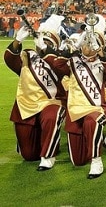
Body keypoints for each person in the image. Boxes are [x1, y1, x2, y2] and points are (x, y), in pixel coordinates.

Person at [3, 16, 69, 171]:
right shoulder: (28, 55)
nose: (42, 44)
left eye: (47, 42)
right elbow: (10, 61)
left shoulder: (60, 58)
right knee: (29, 155)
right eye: (42, 41)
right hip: (27, 104)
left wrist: (47, 51)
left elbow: (61, 70)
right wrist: (17, 41)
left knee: (51, 115)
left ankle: (48, 156)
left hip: (51, 103)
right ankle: (44, 143)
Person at [63, 24, 106, 179]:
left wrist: (101, 51)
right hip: (75, 110)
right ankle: (89, 152)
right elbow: (56, 65)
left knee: (93, 122)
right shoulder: (73, 60)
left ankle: (96, 160)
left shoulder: (103, 61)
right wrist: (71, 48)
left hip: (96, 108)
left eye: (92, 44)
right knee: (77, 161)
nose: (88, 47)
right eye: (86, 44)